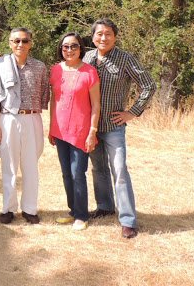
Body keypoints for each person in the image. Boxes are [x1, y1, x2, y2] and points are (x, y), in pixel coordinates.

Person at [83, 18, 156, 239]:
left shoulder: (125, 59)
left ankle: (128, 220)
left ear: (115, 37)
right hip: (92, 126)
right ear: (93, 37)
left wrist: (132, 112)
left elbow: (149, 85)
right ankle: (105, 206)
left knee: (120, 171)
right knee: (98, 169)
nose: (103, 38)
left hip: (114, 126)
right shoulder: (87, 58)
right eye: (99, 34)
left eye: (108, 34)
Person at [0, 28, 49, 225]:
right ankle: (8, 209)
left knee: (30, 166)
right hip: (8, 119)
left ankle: (30, 209)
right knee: (9, 166)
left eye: (24, 41)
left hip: (32, 118)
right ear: (10, 43)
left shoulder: (39, 67)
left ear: (31, 43)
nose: (20, 44)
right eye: (16, 41)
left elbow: (44, 94)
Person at [49, 32, 100, 231]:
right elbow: (54, 101)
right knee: (65, 173)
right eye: (65, 46)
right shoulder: (55, 70)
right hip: (60, 130)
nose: (69, 50)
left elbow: (96, 105)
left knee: (77, 173)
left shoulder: (89, 72)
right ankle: (73, 210)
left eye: (74, 46)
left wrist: (92, 131)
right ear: (61, 49)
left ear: (81, 48)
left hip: (81, 131)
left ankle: (81, 215)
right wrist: (51, 127)